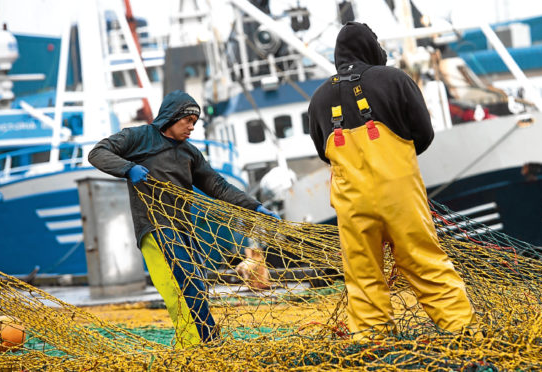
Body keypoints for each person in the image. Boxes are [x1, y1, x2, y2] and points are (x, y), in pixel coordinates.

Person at [307, 22, 476, 339]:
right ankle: (464, 333)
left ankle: (372, 343)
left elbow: (323, 151)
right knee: (426, 264)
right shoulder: (396, 79)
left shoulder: (318, 98)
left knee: (363, 276)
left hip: (352, 203)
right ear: (370, 48)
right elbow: (423, 135)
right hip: (399, 196)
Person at [88, 90, 279, 348]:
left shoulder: (190, 153)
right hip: (154, 227)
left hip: (183, 229)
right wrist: (128, 168)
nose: (192, 127)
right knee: (178, 286)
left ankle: (204, 342)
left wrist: (255, 207)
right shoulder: (139, 137)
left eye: (195, 122)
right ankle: (196, 347)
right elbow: (98, 152)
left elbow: (218, 186)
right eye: (187, 120)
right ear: (171, 117)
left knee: (196, 285)